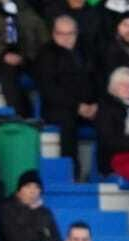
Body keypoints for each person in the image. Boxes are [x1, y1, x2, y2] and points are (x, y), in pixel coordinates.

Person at [34, 16, 99, 178]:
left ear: (77, 33)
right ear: (53, 34)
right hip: (59, 108)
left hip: (89, 106)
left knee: (110, 116)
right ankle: (72, 173)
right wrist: (77, 106)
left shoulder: (86, 50)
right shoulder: (46, 54)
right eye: (61, 34)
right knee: (67, 121)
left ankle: (104, 170)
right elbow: (49, 90)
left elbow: (98, 80)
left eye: (70, 33)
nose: (66, 38)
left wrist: (96, 104)